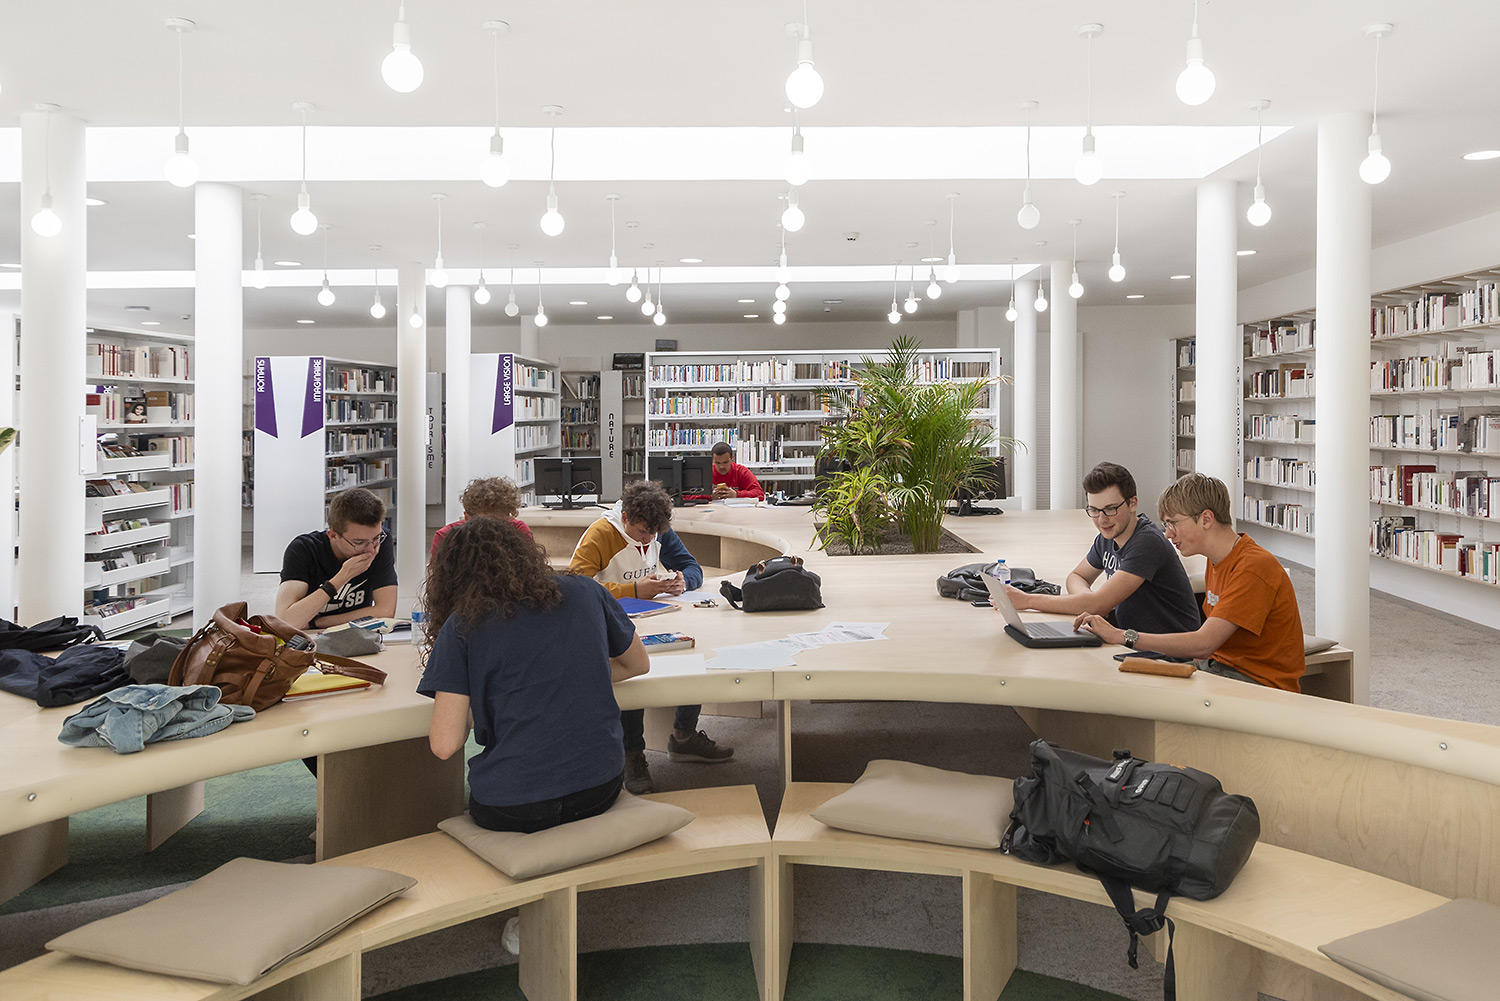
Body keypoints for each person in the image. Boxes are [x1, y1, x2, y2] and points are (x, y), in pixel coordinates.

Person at [419, 517, 650, 832]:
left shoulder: (461, 625)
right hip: (601, 786)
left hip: (514, 806)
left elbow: (445, 744)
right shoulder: (586, 590)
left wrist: (480, 691)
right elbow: (637, 663)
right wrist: (572, 669)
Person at [570, 480, 734, 793]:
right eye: (643, 532)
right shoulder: (601, 534)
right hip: (611, 623)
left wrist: (682, 581)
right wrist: (633, 590)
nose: (649, 539)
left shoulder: (657, 529)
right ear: (626, 518)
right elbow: (577, 587)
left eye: (654, 533)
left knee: (694, 651)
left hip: (652, 616)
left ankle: (684, 735)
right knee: (633, 672)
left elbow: (691, 566)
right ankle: (632, 754)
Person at [1073, 473, 1306, 692]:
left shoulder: (1252, 567)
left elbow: (1204, 644)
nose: (1167, 534)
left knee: (1130, 690)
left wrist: (1123, 636)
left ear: (1206, 519)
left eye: (1173, 523)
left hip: (1256, 683)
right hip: (1219, 669)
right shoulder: (1217, 561)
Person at [1005, 462, 1200, 634]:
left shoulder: (1148, 543)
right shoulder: (1107, 538)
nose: (1102, 519)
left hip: (1167, 655)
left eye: (1110, 509)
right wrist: (1088, 600)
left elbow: (1097, 605)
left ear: (1133, 503)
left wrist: (1027, 600)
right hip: (1131, 642)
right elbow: (1077, 577)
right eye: (1094, 510)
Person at [276, 487, 397, 630]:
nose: (371, 550)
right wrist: (342, 577)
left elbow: (386, 611)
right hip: (309, 638)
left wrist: (318, 622)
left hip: (353, 633)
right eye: (359, 542)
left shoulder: (381, 542)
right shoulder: (303, 549)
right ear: (333, 536)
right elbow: (285, 622)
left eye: (376, 538)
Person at [430, 476, 531, 561]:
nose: (494, 530)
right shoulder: (446, 536)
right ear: (467, 517)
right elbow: (439, 575)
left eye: (501, 523)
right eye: (486, 524)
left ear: (508, 516)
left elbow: (529, 570)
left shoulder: (518, 530)